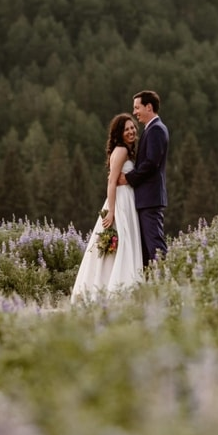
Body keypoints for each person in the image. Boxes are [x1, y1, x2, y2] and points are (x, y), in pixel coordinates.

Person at [70, 113, 144, 302]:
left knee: (122, 243)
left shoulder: (126, 150)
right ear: (119, 133)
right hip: (120, 202)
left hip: (127, 200)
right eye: (126, 129)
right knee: (122, 242)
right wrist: (111, 211)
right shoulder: (121, 151)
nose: (131, 131)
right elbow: (111, 182)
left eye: (132, 127)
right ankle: (116, 289)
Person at [120, 89, 169, 266]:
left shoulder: (156, 130)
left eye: (137, 107)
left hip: (150, 199)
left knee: (155, 246)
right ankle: (151, 285)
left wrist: (129, 178)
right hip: (146, 199)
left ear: (149, 107)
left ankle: (163, 281)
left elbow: (151, 163)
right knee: (147, 249)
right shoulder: (152, 129)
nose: (134, 112)